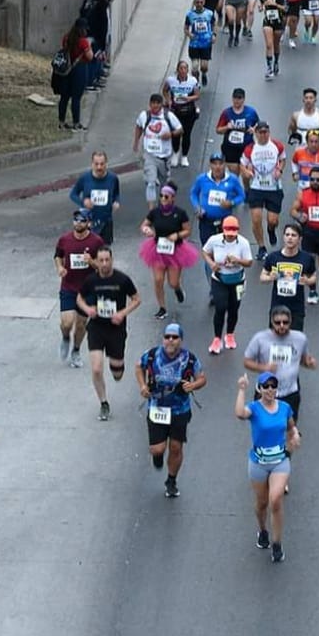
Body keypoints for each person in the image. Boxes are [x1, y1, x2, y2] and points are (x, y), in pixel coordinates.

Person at [235, 372, 300, 563]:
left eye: (273, 386)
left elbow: (291, 426)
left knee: (276, 499)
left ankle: (277, 543)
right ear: (260, 389)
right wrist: (241, 389)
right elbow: (239, 413)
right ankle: (263, 529)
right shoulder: (254, 409)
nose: (270, 390)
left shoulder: (285, 408)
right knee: (262, 503)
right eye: (266, 386)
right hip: (258, 463)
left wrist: (295, 435)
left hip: (280, 461)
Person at [136, 321, 206, 498]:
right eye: (167, 337)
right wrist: (143, 385)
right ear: (163, 339)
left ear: (180, 340)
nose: (170, 341)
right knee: (157, 450)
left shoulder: (189, 359)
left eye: (175, 337)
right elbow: (139, 367)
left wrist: (193, 385)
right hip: (157, 408)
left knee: (176, 447)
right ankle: (158, 457)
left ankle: (172, 480)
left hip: (179, 410)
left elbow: (202, 379)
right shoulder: (152, 355)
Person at [77, 247, 142, 419]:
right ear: (96, 262)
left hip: (116, 329)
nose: (105, 264)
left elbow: (137, 299)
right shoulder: (91, 280)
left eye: (107, 260)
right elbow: (80, 298)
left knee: (117, 373)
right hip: (97, 327)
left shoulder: (122, 279)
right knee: (97, 369)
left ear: (112, 260)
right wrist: (87, 309)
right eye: (101, 260)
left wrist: (122, 313)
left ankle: (117, 367)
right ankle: (104, 403)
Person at [242, 308, 316, 424]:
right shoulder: (260, 339)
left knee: (289, 429)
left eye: (285, 322)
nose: (281, 326)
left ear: (290, 322)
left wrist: (309, 363)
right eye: (277, 322)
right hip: (266, 392)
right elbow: (247, 361)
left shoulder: (300, 339)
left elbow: (302, 360)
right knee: (266, 429)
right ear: (272, 322)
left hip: (290, 393)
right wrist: (264, 368)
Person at [139, 185, 200, 319]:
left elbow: (187, 231)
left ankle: (178, 288)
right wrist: (146, 230)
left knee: (172, 282)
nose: (163, 199)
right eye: (161, 196)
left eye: (166, 196)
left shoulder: (180, 213)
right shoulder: (155, 212)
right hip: (157, 249)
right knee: (158, 279)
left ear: (173, 198)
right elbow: (144, 225)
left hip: (176, 250)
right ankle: (162, 307)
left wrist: (177, 236)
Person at [55, 210, 104, 366]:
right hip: (69, 286)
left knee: (81, 324)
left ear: (89, 223)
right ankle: (65, 338)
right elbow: (57, 256)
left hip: (87, 290)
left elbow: (104, 267)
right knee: (66, 323)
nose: (78, 223)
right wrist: (59, 268)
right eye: (75, 220)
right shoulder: (64, 239)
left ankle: (76, 350)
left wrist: (91, 262)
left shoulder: (97, 242)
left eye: (82, 221)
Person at [202, 216, 255, 354]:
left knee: (233, 308)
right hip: (220, 279)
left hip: (237, 280)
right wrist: (212, 264)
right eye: (228, 234)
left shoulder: (243, 242)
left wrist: (238, 260)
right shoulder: (214, 240)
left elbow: (249, 263)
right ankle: (217, 338)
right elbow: (205, 252)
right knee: (220, 307)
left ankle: (230, 334)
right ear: (223, 231)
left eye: (233, 235)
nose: (230, 237)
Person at [239, 122, 287, 253]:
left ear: (269, 132)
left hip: (274, 187)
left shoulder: (276, 145)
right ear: (256, 133)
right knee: (256, 219)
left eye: (266, 132)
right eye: (260, 132)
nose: (263, 135)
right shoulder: (250, 148)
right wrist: (246, 173)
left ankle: (271, 230)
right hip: (256, 187)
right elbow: (242, 164)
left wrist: (280, 170)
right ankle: (261, 247)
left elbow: (283, 159)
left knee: (272, 220)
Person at [259, 226, 318, 326]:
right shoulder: (273, 257)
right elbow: (262, 277)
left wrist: (307, 281)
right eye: (287, 235)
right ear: (283, 237)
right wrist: (270, 277)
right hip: (277, 306)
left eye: (293, 235)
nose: (290, 238)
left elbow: (314, 277)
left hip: (296, 307)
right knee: (275, 340)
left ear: (300, 239)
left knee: (295, 339)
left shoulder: (307, 258)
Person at [133, 94, 182, 204]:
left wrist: (170, 134)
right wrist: (136, 142)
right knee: (150, 182)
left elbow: (180, 129)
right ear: (149, 104)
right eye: (153, 103)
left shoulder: (168, 116)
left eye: (157, 103)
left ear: (161, 104)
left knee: (164, 185)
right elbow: (138, 126)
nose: (155, 106)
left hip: (164, 156)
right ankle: (151, 211)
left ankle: (162, 207)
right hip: (149, 154)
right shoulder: (144, 116)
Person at [191, 153, 247, 248]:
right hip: (206, 220)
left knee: (224, 249)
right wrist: (197, 207)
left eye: (220, 164)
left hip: (225, 221)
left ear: (224, 165)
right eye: (214, 164)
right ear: (210, 165)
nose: (217, 167)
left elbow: (242, 195)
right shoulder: (202, 179)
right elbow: (193, 194)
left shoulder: (232, 179)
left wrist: (231, 203)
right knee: (208, 249)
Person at [70, 150, 122, 244]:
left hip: (106, 221)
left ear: (106, 163)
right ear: (92, 164)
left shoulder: (113, 178)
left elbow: (116, 193)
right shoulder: (85, 178)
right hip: (89, 222)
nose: (99, 167)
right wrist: (83, 202)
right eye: (96, 164)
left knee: (104, 252)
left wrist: (116, 202)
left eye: (102, 164)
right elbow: (73, 194)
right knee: (89, 251)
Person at [55, 18, 93, 130]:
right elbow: (90, 57)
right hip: (79, 69)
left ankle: (61, 122)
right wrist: (89, 46)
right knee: (76, 97)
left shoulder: (66, 38)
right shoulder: (83, 42)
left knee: (64, 97)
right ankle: (76, 122)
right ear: (82, 29)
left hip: (66, 70)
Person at [163, 59, 201, 166]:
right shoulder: (171, 80)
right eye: (181, 68)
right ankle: (175, 153)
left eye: (185, 68)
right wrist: (168, 100)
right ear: (177, 70)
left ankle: (184, 156)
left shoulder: (193, 81)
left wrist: (188, 98)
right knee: (176, 134)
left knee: (186, 134)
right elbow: (165, 90)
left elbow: (197, 95)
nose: (183, 71)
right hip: (175, 111)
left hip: (189, 111)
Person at [215, 88, 259, 169]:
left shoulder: (251, 112)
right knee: (234, 174)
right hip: (231, 148)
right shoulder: (226, 113)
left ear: (243, 99)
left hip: (246, 147)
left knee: (247, 174)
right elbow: (218, 130)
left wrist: (254, 130)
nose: (237, 101)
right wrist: (226, 127)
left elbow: (259, 126)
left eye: (239, 98)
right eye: (235, 98)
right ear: (232, 98)